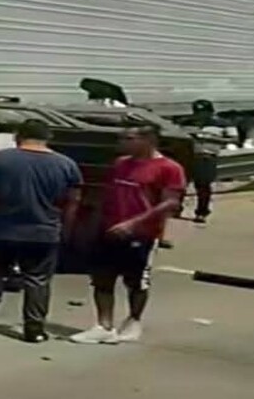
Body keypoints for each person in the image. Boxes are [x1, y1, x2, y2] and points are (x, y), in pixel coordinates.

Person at [0, 119, 83, 342]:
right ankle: (34, 329)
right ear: (48, 138)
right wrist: (66, 229)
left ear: (18, 136)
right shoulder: (66, 165)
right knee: (37, 280)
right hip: (44, 231)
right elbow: (72, 202)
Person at [70, 127, 186, 345]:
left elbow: (170, 202)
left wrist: (133, 223)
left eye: (128, 138)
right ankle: (104, 325)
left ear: (148, 141)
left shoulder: (169, 168)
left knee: (136, 281)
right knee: (102, 279)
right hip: (108, 229)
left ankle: (134, 320)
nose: (121, 142)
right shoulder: (121, 163)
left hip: (141, 234)